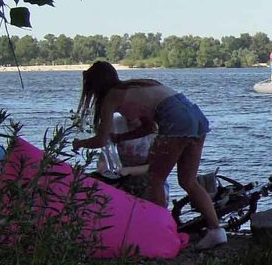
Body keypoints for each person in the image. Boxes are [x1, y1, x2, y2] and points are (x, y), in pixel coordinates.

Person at [71, 61, 225, 250]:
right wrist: (121, 137)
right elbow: (149, 127)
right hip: (196, 116)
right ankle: (216, 231)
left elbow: (101, 141)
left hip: (176, 119)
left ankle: (162, 233)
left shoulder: (112, 96)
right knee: (188, 181)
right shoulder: (139, 85)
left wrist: (79, 143)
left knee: (155, 179)